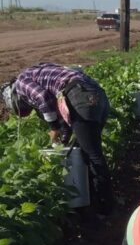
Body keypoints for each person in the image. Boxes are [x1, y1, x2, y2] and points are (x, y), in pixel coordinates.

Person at [2, 63, 112, 213]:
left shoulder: (21, 82)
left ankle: (105, 207)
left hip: (81, 96)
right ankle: (93, 199)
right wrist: (64, 138)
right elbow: (64, 113)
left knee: (93, 155)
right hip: (96, 95)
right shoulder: (39, 74)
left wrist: (53, 127)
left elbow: (42, 97)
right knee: (86, 151)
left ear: (13, 96)